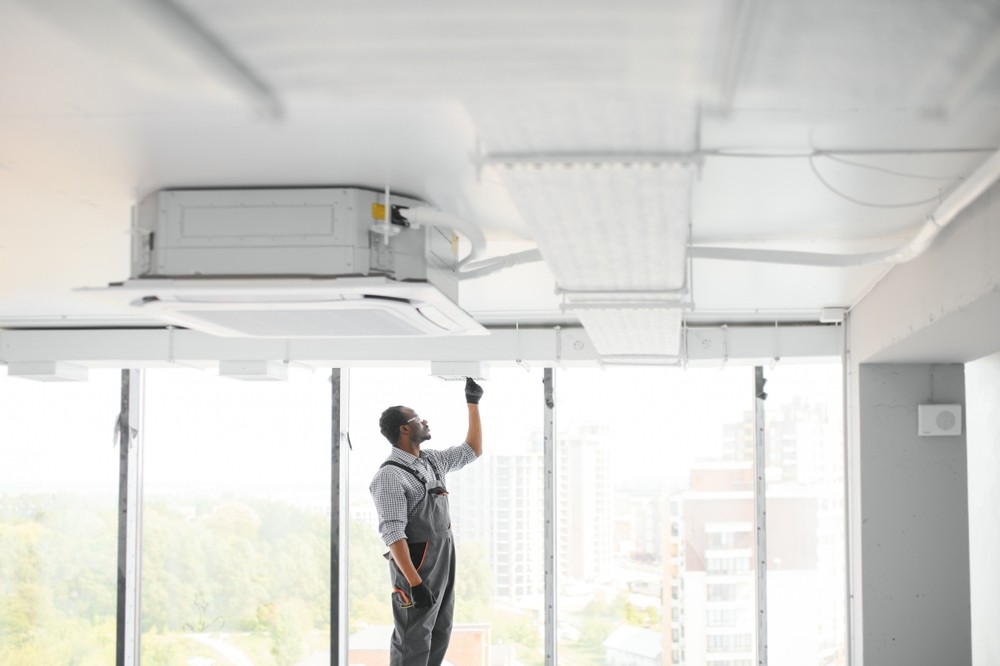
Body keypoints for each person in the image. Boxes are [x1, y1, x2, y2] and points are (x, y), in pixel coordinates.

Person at [369, 377, 484, 666]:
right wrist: (415, 582)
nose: (426, 421)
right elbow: (393, 534)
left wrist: (473, 402)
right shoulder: (390, 476)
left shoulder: (431, 461)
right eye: (418, 418)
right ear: (405, 429)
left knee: (440, 631)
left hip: (443, 556)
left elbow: (472, 449)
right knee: (413, 638)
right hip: (417, 565)